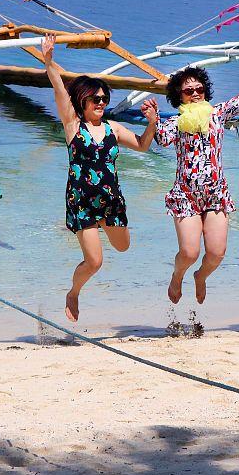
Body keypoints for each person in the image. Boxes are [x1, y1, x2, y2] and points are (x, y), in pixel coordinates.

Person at [40, 36, 159, 322]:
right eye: (96, 99)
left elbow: (143, 145)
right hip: (81, 202)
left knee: (123, 246)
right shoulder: (72, 125)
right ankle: (73, 292)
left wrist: (153, 123)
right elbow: (59, 89)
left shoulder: (113, 128)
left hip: (111, 201)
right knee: (95, 261)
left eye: (104, 98)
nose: (102, 102)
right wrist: (48, 61)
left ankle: (97, 230)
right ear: (82, 100)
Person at [154, 55, 239, 304]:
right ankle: (178, 276)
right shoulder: (176, 122)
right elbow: (162, 139)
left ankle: (201, 277)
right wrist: (153, 119)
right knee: (189, 252)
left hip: (215, 193)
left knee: (217, 253)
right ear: (180, 95)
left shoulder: (218, 113)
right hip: (186, 195)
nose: (195, 93)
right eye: (189, 91)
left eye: (199, 89)